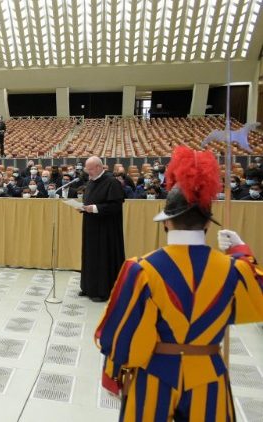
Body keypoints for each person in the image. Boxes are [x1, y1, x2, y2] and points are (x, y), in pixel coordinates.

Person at [95, 145, 263, 421]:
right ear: (208, 225)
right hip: (209, 376)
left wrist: (114, 374)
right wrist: (241, 251)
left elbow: (118, 334)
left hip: (154, 374)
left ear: (166, 223)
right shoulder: (235, 270)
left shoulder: (141, 269)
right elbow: (258, 298)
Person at [79, 156, 125, 302]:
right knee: (90, 256)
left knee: (102, 257)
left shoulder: (111, 182)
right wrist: (84, 208)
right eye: (87, 169)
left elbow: (116, 206)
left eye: (90, 169)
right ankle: (88, 287)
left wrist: (95, 208)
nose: (88, 172)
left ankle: (102, 291)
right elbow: (89, 200)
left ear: (99, 167)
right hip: (91, 226)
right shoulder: (91, 181)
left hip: (106, 229)